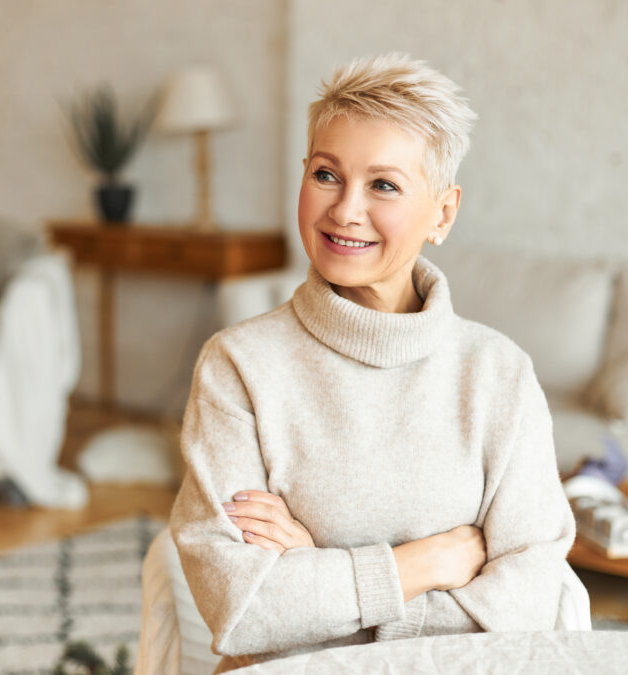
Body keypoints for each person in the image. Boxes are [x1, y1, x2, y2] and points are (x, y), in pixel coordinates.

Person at [169, 53, 576, 672]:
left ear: (443, 213)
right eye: (326, 174)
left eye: (383, 184)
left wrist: (319, 578)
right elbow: (242, 607)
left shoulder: (498, 374)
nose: (344, 210)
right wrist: (428, 563)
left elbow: (530, 600)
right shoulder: (238, 367)